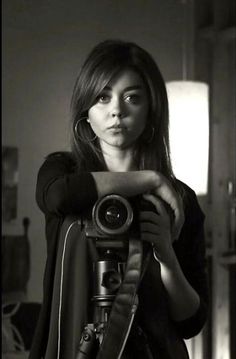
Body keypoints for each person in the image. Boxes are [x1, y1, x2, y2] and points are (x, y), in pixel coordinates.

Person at [29, 39, 208, 359]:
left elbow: (190, 322)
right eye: (102, 96)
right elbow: (58, 196)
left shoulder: (179, 200)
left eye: (132, 98)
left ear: (151, 110)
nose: (116, 110)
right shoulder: (63, 174)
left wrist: (167, 256)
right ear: (86, 110)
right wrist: (149, 179)